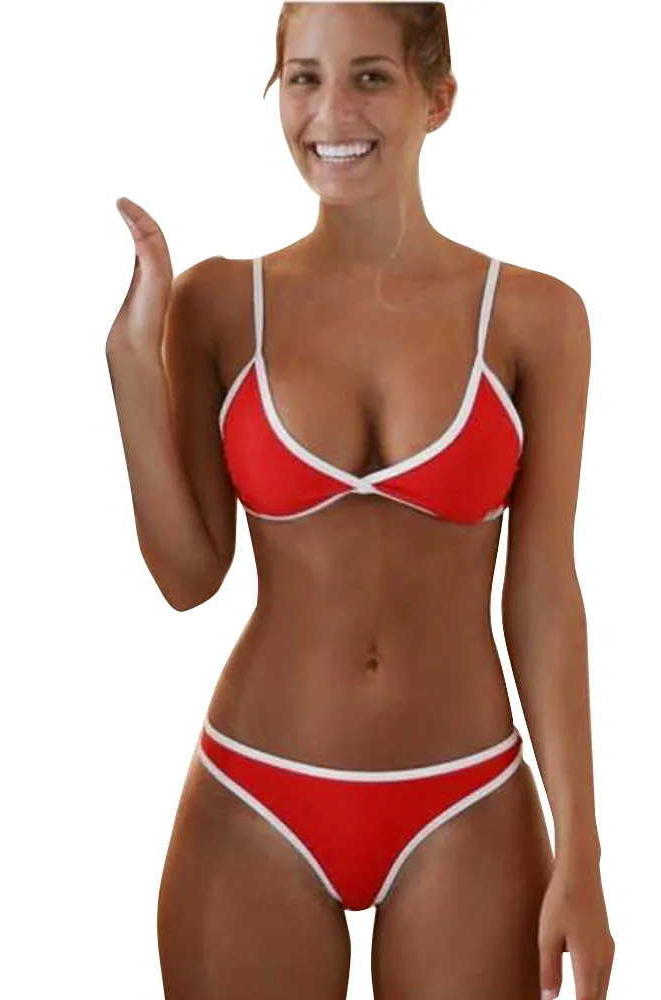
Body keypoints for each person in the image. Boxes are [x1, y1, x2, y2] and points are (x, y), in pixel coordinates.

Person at [105, 3, 614, 998]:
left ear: (439, 98)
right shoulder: (219, 303)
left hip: (468, 796)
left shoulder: (536, 318)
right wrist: (131, 365)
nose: (331, 111)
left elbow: (544, 593)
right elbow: (189, 576)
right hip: (253, 789)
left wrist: (583, 852)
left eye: (370, 77)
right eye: (303, 78)